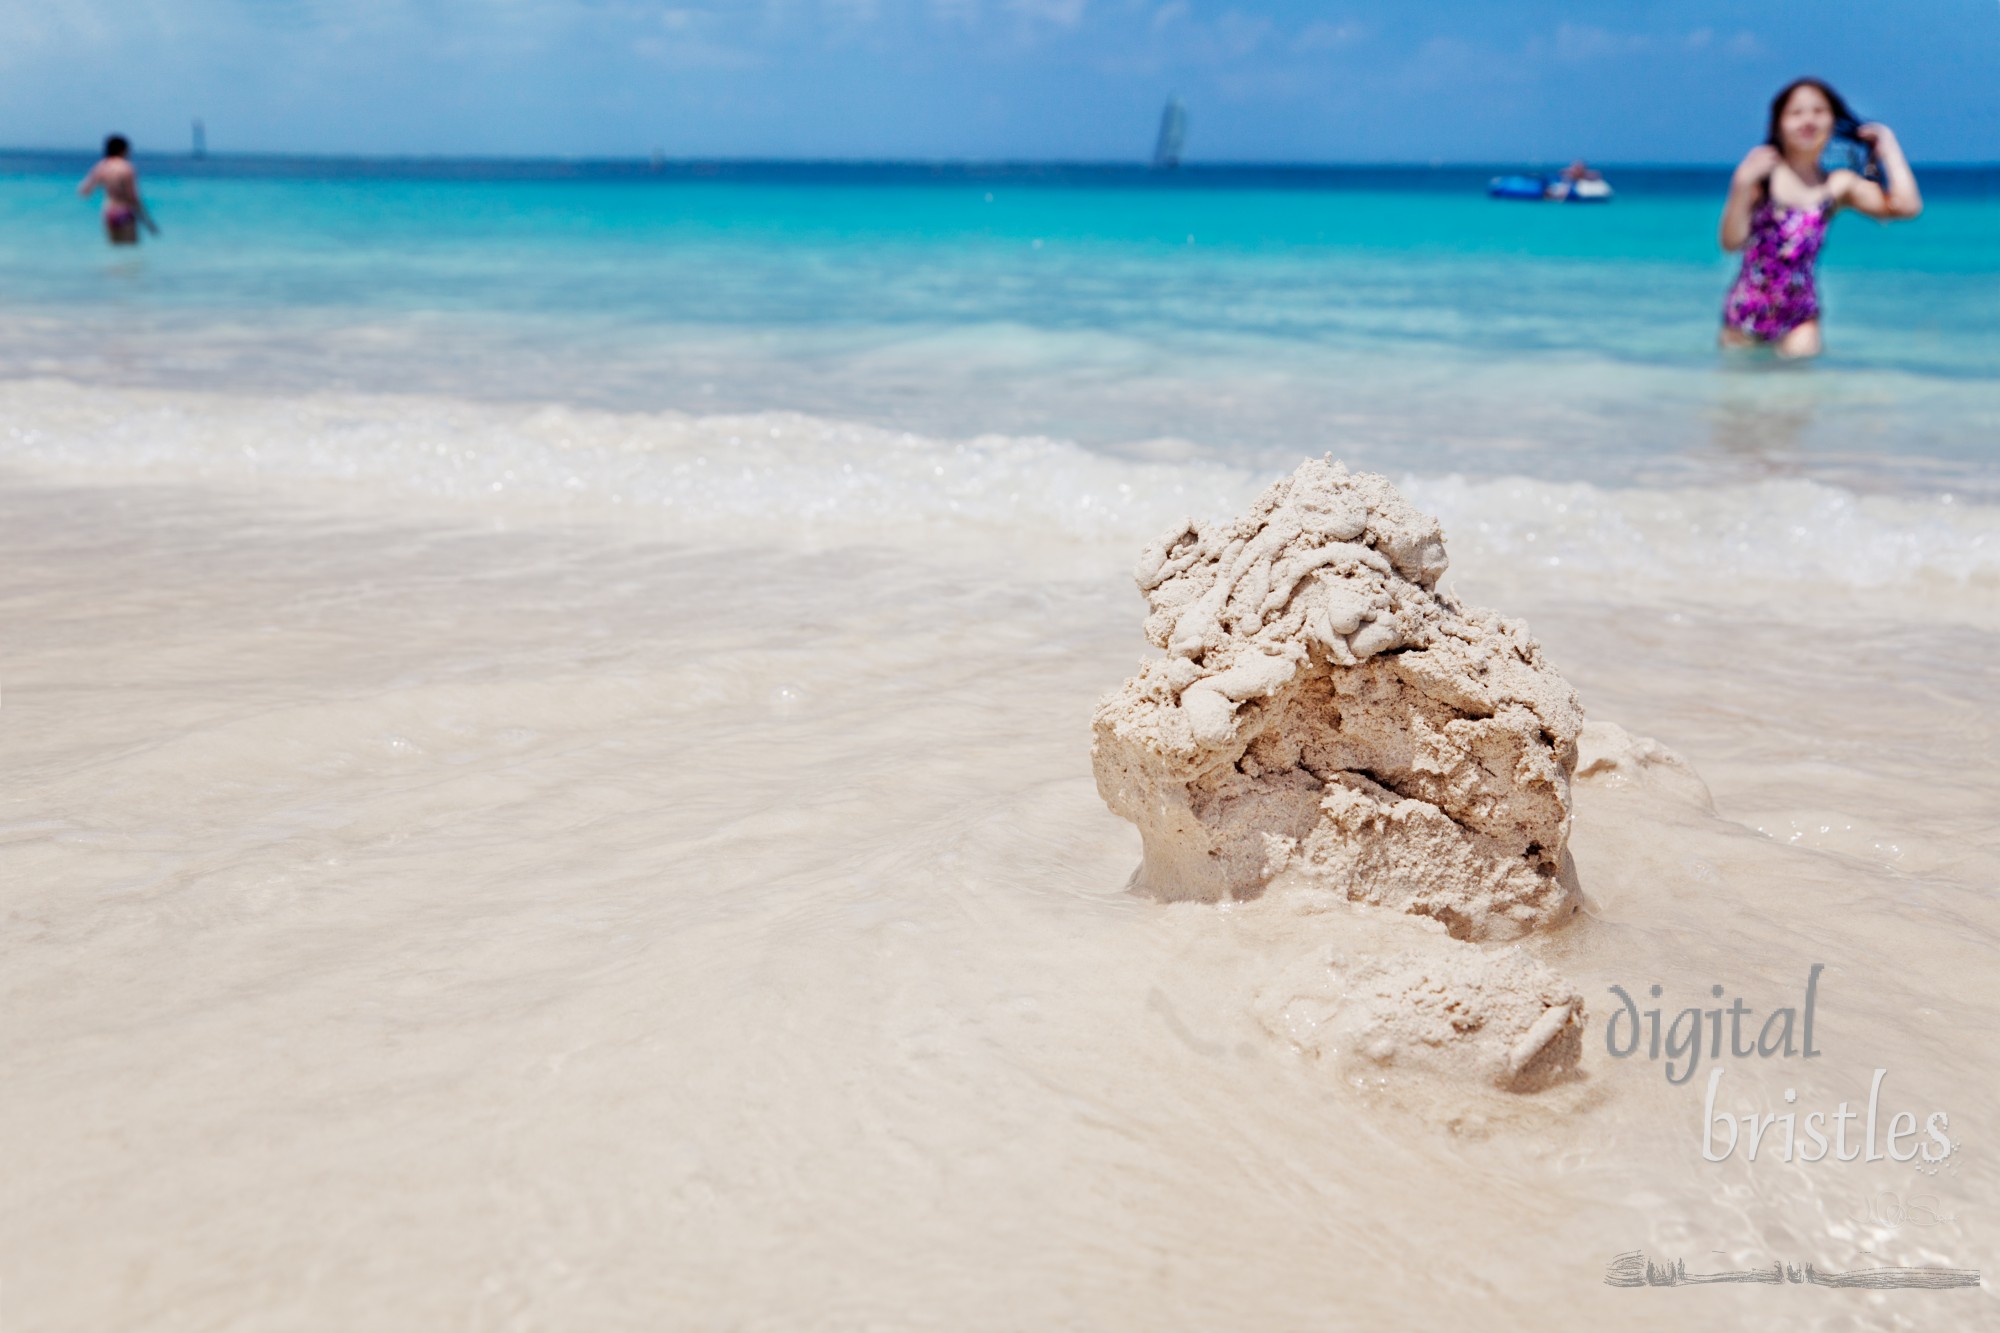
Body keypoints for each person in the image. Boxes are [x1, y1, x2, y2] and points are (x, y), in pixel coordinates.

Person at [1718, 79, 1921, 358]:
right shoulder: (1760, 177)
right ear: (1778, 124)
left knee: (1801, 396)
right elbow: (1731, 243)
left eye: (1818, 111)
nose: (1808, 120)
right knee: (1737, 398)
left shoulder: (1836, 186)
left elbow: (1906, 206)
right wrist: (1740, 184)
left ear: (1833, 121)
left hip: (1800, 316)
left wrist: (1889, 147)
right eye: (1796, 112)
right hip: (1745, 312)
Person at [77, 135, 154, 245]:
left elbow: (84, 191)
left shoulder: (102, 166)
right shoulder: (126, 167)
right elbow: (133, 197)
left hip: (109, 213)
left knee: (114, 253)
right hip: (124, 213)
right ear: (122, 149)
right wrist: (147, 221)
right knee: (129, 253)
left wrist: (104, 185)